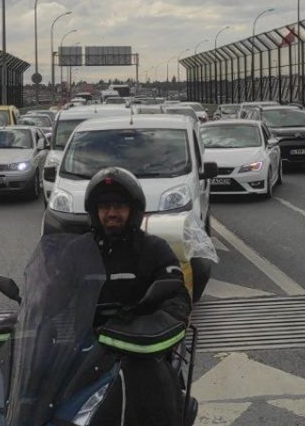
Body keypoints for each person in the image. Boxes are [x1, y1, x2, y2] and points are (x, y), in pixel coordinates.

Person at [84, 167, 191, 426]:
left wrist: (150, 328)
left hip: (138, 352)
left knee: (155, 398)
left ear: (133, 210)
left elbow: (176, 297)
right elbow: (52, 292)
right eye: (105, 206)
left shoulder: (154, 249)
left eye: (119, 206)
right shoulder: (78, 252)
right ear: (95, 212)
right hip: (83, 350)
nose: (111, 213)